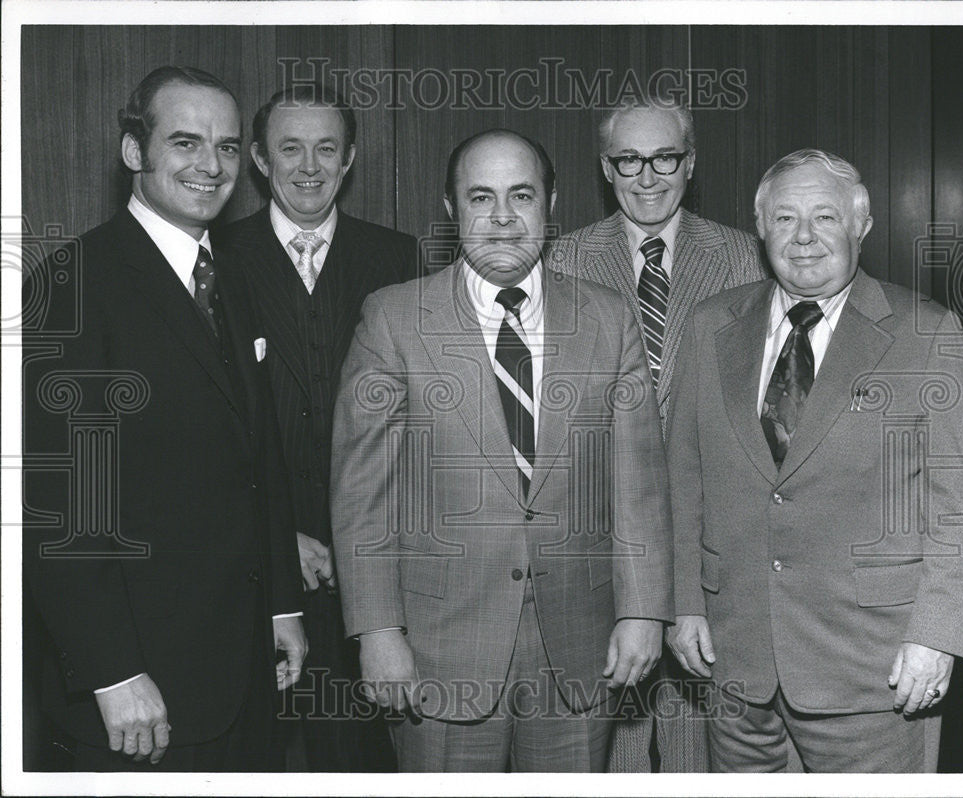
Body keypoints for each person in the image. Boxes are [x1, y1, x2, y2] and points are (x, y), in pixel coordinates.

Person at [329, 129, 673, 771]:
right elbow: (361, 494)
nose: (503, 218)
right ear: (453, 209)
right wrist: (377, 631)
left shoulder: (608, 318)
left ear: (550, 205)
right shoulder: (394, 319)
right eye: (481, 198)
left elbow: (638, 483)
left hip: (580, 646)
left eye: (522, 195)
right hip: (439, 649)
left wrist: (645, 610)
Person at [21, 65, 306, 771]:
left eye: (230, 147)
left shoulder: (229, 276)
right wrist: (110, 672)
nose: (212, 166)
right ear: (132, 153)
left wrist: (281, 605)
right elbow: (59, 504)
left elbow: (258, 458)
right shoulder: (73, 282)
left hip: (240, 675)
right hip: (136, 694)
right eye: (186, 142)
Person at [666, 149, 963, 772]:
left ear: (861, 226)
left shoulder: (926, 333)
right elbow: (684, 475)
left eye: (825, 217)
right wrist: (685, 605)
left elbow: (961, 505)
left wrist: (937, 636)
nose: (803, 237)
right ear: (760, 229)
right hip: (735, 661)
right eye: (784, 219)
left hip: (874, 672)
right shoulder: (709, 326)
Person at [549, 97, 766, 772]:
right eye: (629, 160)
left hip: (712, 547)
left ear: (690, 163)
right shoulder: (561, 260)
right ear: (606, 169)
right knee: (602, 746)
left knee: (698, 747)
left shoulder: (746, 258)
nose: (647, 176)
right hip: (602, 545)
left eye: (665, 157)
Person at [219, 84, 416, 772]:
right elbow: (208, 435)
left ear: (350, 158)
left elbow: (419, 424)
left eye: (326, 148)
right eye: (290, 148)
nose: (309, 166)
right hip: (247, 573)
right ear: (259, 161)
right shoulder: (214, 257)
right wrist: (278, 536)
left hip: (372, 577)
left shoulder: (400, 258)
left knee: (363, 763)